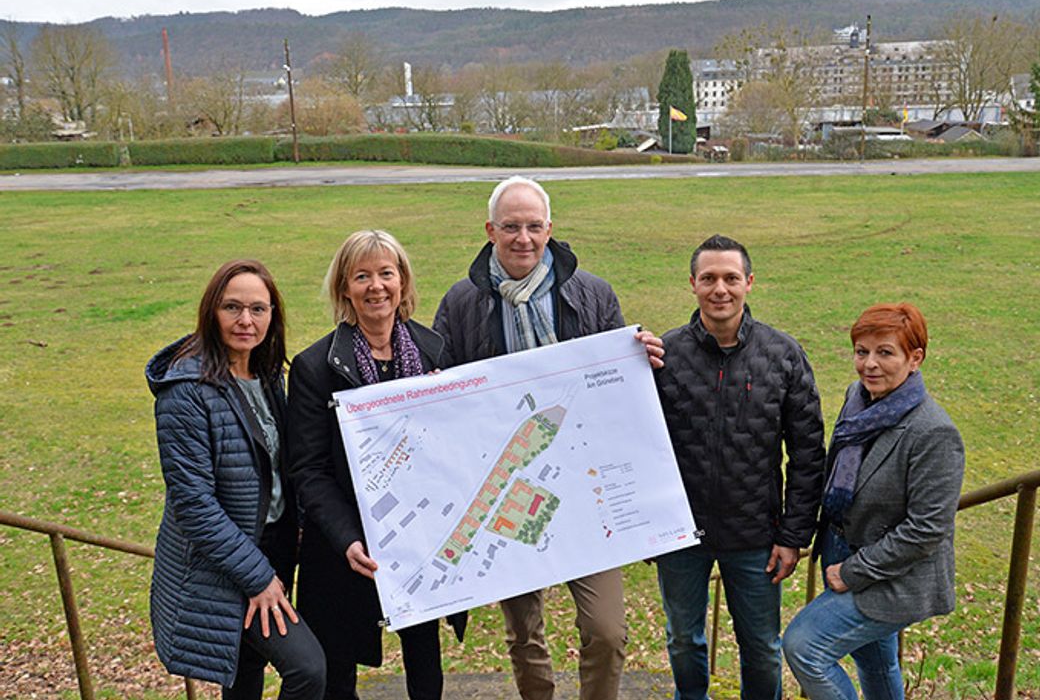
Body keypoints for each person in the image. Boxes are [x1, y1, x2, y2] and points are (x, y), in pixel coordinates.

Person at [432, 175, 664, 700]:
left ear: (550, 229)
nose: (523, 238)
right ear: (490, 230)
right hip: (509, 485)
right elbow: (444, 392)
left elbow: (619, 388)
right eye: (511, 227)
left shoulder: (593, 293)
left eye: (534, 226)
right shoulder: (462, 302)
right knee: (523, 630)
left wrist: (641, 359)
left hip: (584, 485)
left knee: (607, 630)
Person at [287, 230, 465, 700]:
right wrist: (347, 537)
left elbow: (455, 446)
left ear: (402, 281)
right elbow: (308, 469)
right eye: (361, 276)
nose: (376, 286)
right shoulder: (314, 367)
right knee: (338, 673)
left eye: (386, 273)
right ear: (344, 288)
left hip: (418, 538)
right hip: (344, 546)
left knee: (425, 664)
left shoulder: (434, 350)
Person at [653, 234, 826, 700]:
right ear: (692, 283)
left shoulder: (783, 355)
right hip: (681, 535)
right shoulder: (664, 356)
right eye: (708, 278)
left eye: (731, 278)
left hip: (756, 537)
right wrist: (648, 526)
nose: (720, 289)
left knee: (762, 647)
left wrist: (793, 535)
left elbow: (808, 452)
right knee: (682, 639)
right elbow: (638, 445)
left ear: (749, 282)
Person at [146, 259, 325, 699]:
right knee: (307, 669)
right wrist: (258, 577)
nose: (246, 320)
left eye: (258, 309)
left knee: (246, 672)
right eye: (233, 307)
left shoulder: (266, 375)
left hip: (275, 547)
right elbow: (194, 505)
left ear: (272, 315)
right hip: (228, 563)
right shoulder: (185, 391)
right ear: (212, 311)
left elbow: (283, 465)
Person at [783, 303, 965, 700]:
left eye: (885, 352)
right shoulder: (859, 397)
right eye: (861, 351)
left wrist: (853, 572)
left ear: (915, 358)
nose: (869, 364)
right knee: (876, 662)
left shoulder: (933, 432)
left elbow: (927, 530)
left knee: (804, 647)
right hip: (842, 547)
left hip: (891, 573)